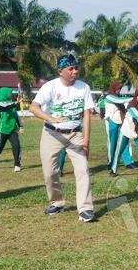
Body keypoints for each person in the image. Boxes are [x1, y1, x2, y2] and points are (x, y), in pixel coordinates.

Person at [29, 54, 96, 222]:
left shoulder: (84, 88)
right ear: (60, 71)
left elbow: (87, 115)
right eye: (70, 69)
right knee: (50, 173)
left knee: (83, 171)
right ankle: (57, 202)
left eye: (76, 68)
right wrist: (50, 118)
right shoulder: (50, 87)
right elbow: (33, 107)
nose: (75, 71)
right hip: (52, 134)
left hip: (75, 134)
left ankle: (85, 209)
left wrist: (86, 141)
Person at [113, 88, 138, 176]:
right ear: (135, 96)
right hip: (126, 131)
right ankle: (113, 170)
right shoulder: (131, 105)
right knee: (119, 151)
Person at [0, 87, 24, 171]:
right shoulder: (0, 103)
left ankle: (17, 164)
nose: (10, 95)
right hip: (2, 130)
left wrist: (21, 126)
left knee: (16, 146)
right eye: (9, 93)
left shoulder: (12, 104)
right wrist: (15, 103)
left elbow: (16, 116)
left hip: (13, 129)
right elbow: (4, 107)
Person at [104, 82, 134, 174]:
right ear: (113, 88)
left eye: (120, 89)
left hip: (121, 121)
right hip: (111, 122)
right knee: (112, 143)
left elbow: (124, 102)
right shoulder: (109, 97)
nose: (119, 90)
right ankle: (111, 162)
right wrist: (135, 97)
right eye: (118, 88)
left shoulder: (120, 98)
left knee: (124, 142)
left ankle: (128, 162)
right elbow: (119, 101)